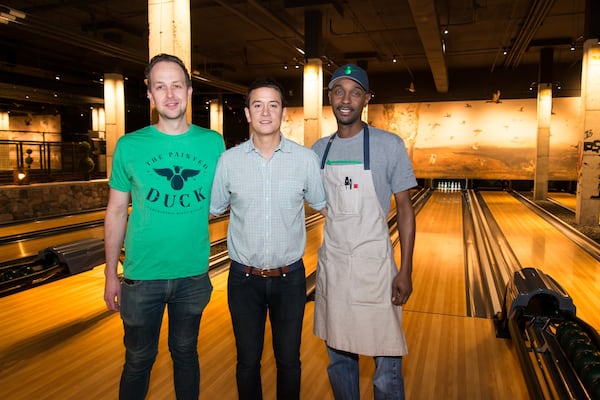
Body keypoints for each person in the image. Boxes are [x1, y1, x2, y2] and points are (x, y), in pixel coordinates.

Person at [103, 53, 225, 400]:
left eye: (176, 85)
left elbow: (227, 198)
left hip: (193, 275)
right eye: (160, 86)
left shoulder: (212, 142)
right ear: (150, 95)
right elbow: (115, 211)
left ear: (189, 91)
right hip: (142, 277)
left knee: (186, 355)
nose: (169, 94)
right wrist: (111, 273)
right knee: (139, 360)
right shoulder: (130, 145)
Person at [210, 77, 326, 400]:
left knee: (289, 361)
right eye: (257, 105)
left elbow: (326, 205)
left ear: (283, 113)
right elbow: (213, 208)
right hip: (242, 281)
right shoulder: (228, 162)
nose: (265, 112)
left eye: (272, 105)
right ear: (247, 113)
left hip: (290, 280)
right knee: (247, 362)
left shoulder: (305, 160)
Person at [312, 64, 417, 400]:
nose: (346, 99)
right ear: (329, 97)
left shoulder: (389, 145)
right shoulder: (318, 150)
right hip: (336, 269)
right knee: (339, 361)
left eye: (355, 92)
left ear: (366, 99)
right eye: (339, 91)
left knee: (386, 368)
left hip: (376, 270)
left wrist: (406, 268)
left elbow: (405, 208)